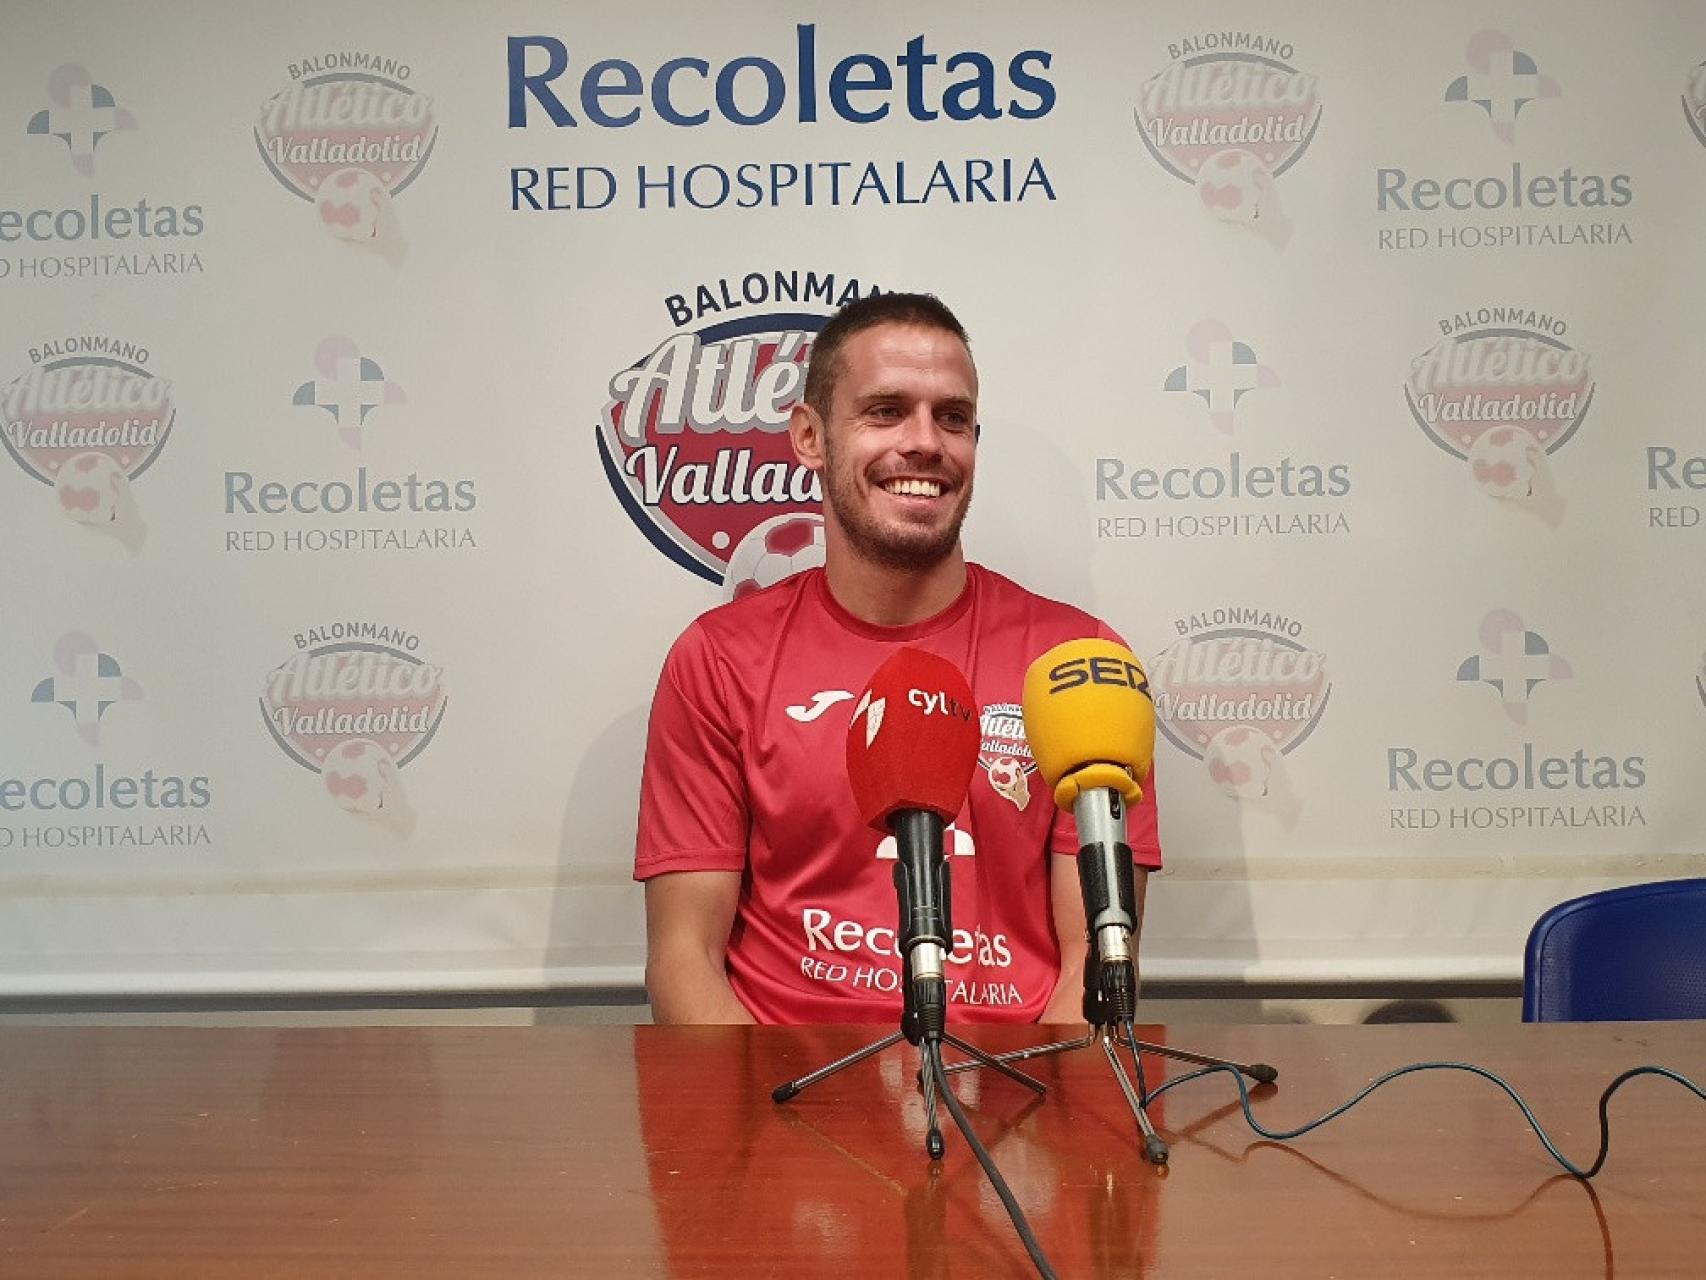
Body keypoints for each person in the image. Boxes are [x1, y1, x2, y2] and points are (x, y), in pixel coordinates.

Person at [634, 292, 1161, 1024]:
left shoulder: (1079, 665)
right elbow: (683, 960)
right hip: (787, 1107)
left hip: (1022, 1103)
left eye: (953, 418)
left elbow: (1099, 959)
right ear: (810, 437)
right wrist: (766, 1131)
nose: (925, 443)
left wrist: (1041, 1132)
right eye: (885, 411)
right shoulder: (720, 660)